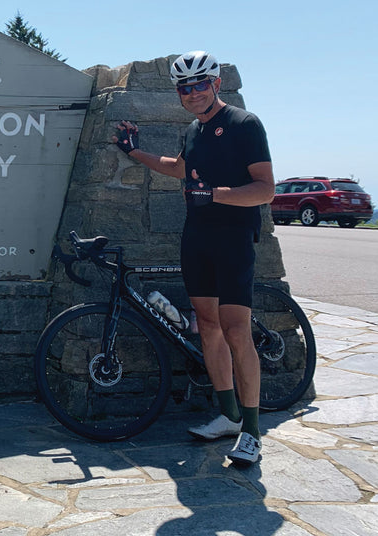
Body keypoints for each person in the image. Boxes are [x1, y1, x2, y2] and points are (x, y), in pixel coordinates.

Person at [111, 51, 275, 466]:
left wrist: (215, 194)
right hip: (197, 237)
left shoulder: (244, 124)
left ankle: (253, 432)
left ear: (215, 84)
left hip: (234, 237)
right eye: (185, 87)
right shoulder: (192, 131)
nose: (192, 93)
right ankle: (229, 415)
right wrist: (134, 151)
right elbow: (178, 168)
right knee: (207, 326)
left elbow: (265, 190)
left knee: (236, 329)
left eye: (200, 84)